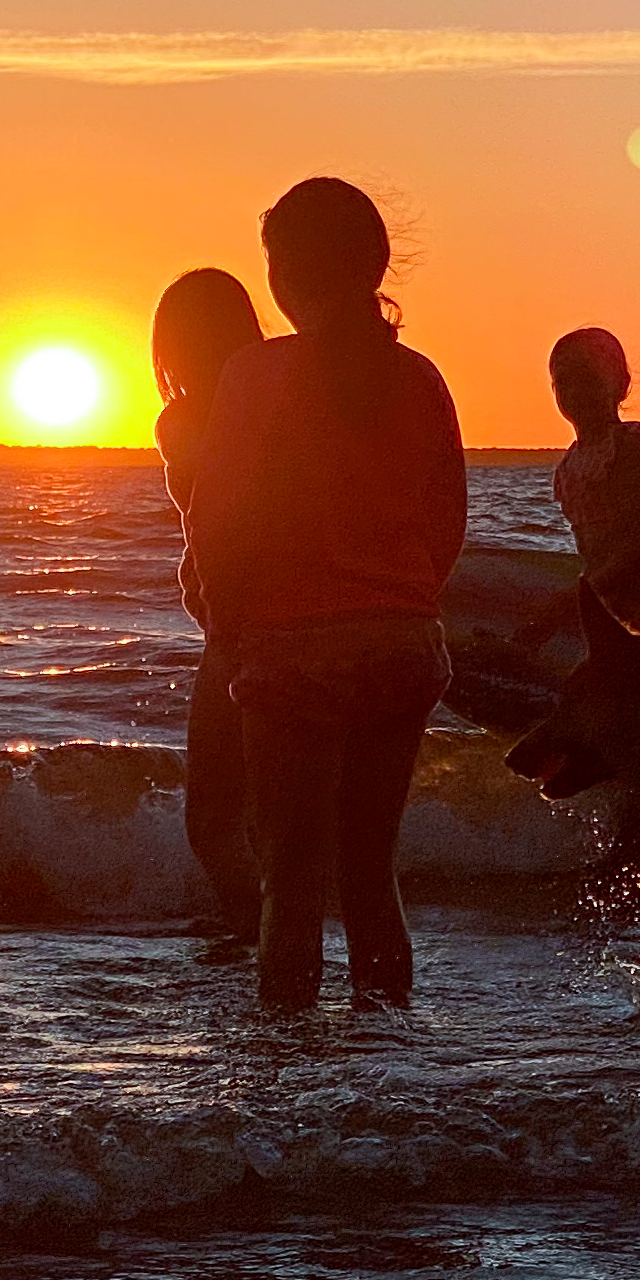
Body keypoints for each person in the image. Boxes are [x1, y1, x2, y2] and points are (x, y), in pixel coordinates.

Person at [177, 179, 466, 1011]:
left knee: (293, 873)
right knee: (370, 867)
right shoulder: (420, 377)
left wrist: (232, 630)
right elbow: (447, 519)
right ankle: (384, 1045)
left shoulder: (253, 375)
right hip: (405, 645)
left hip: (291, 651)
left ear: (286, 273)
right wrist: (404, 602)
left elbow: (219, 520)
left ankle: (291, 1063)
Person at [151, 267, 269, 942]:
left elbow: (219, 526)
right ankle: (264, 929)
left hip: (238, 628)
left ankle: (253, 931)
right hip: (270, 617)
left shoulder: (186, 421)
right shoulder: (284, 400)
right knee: (259, 813)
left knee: (213, 818)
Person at [547, 327, 640, 631]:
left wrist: (582, 596)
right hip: (608, 608)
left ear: (620, 384)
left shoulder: (630, 447)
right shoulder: (571, 465)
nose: (574, 391)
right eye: (563, 382)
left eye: (587, 378)